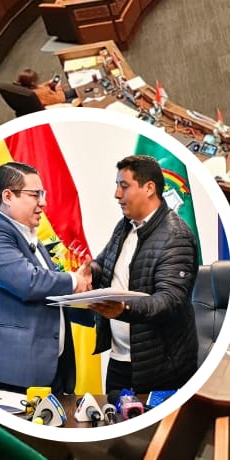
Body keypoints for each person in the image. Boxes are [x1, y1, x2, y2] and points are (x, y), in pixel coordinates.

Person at [0, 162, 92, 393]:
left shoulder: (31, 239)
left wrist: (92, 301)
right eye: (35, 195)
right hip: (6, 372)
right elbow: (28, 282)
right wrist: (74, 281)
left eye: (43, 195)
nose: (43, 202)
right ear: (8, 196)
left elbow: (49, 294)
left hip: (46, 370)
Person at [90, 155, 199, 393]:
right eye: (117, 186)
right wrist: (88, 272)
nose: (117, 194)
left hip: (159, 368)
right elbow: (104, 263)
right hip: (120, 360)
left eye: (124, 186)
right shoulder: (125, 225)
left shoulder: (176, 236)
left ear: (149, 188)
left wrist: (124, 309)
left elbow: (170, 300)